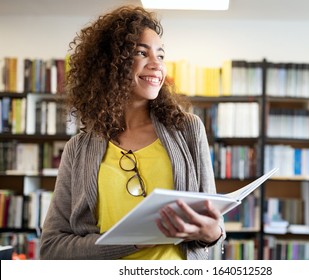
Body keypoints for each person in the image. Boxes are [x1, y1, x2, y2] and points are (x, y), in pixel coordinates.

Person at [39, 5, 225, 260]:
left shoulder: (188, 130)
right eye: (141, 52)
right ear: (111, 63)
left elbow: (214, 228)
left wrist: (213, 232)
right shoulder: (78, 149)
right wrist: (132, 241)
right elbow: (52, 247)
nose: (156, 65)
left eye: (160, 56)